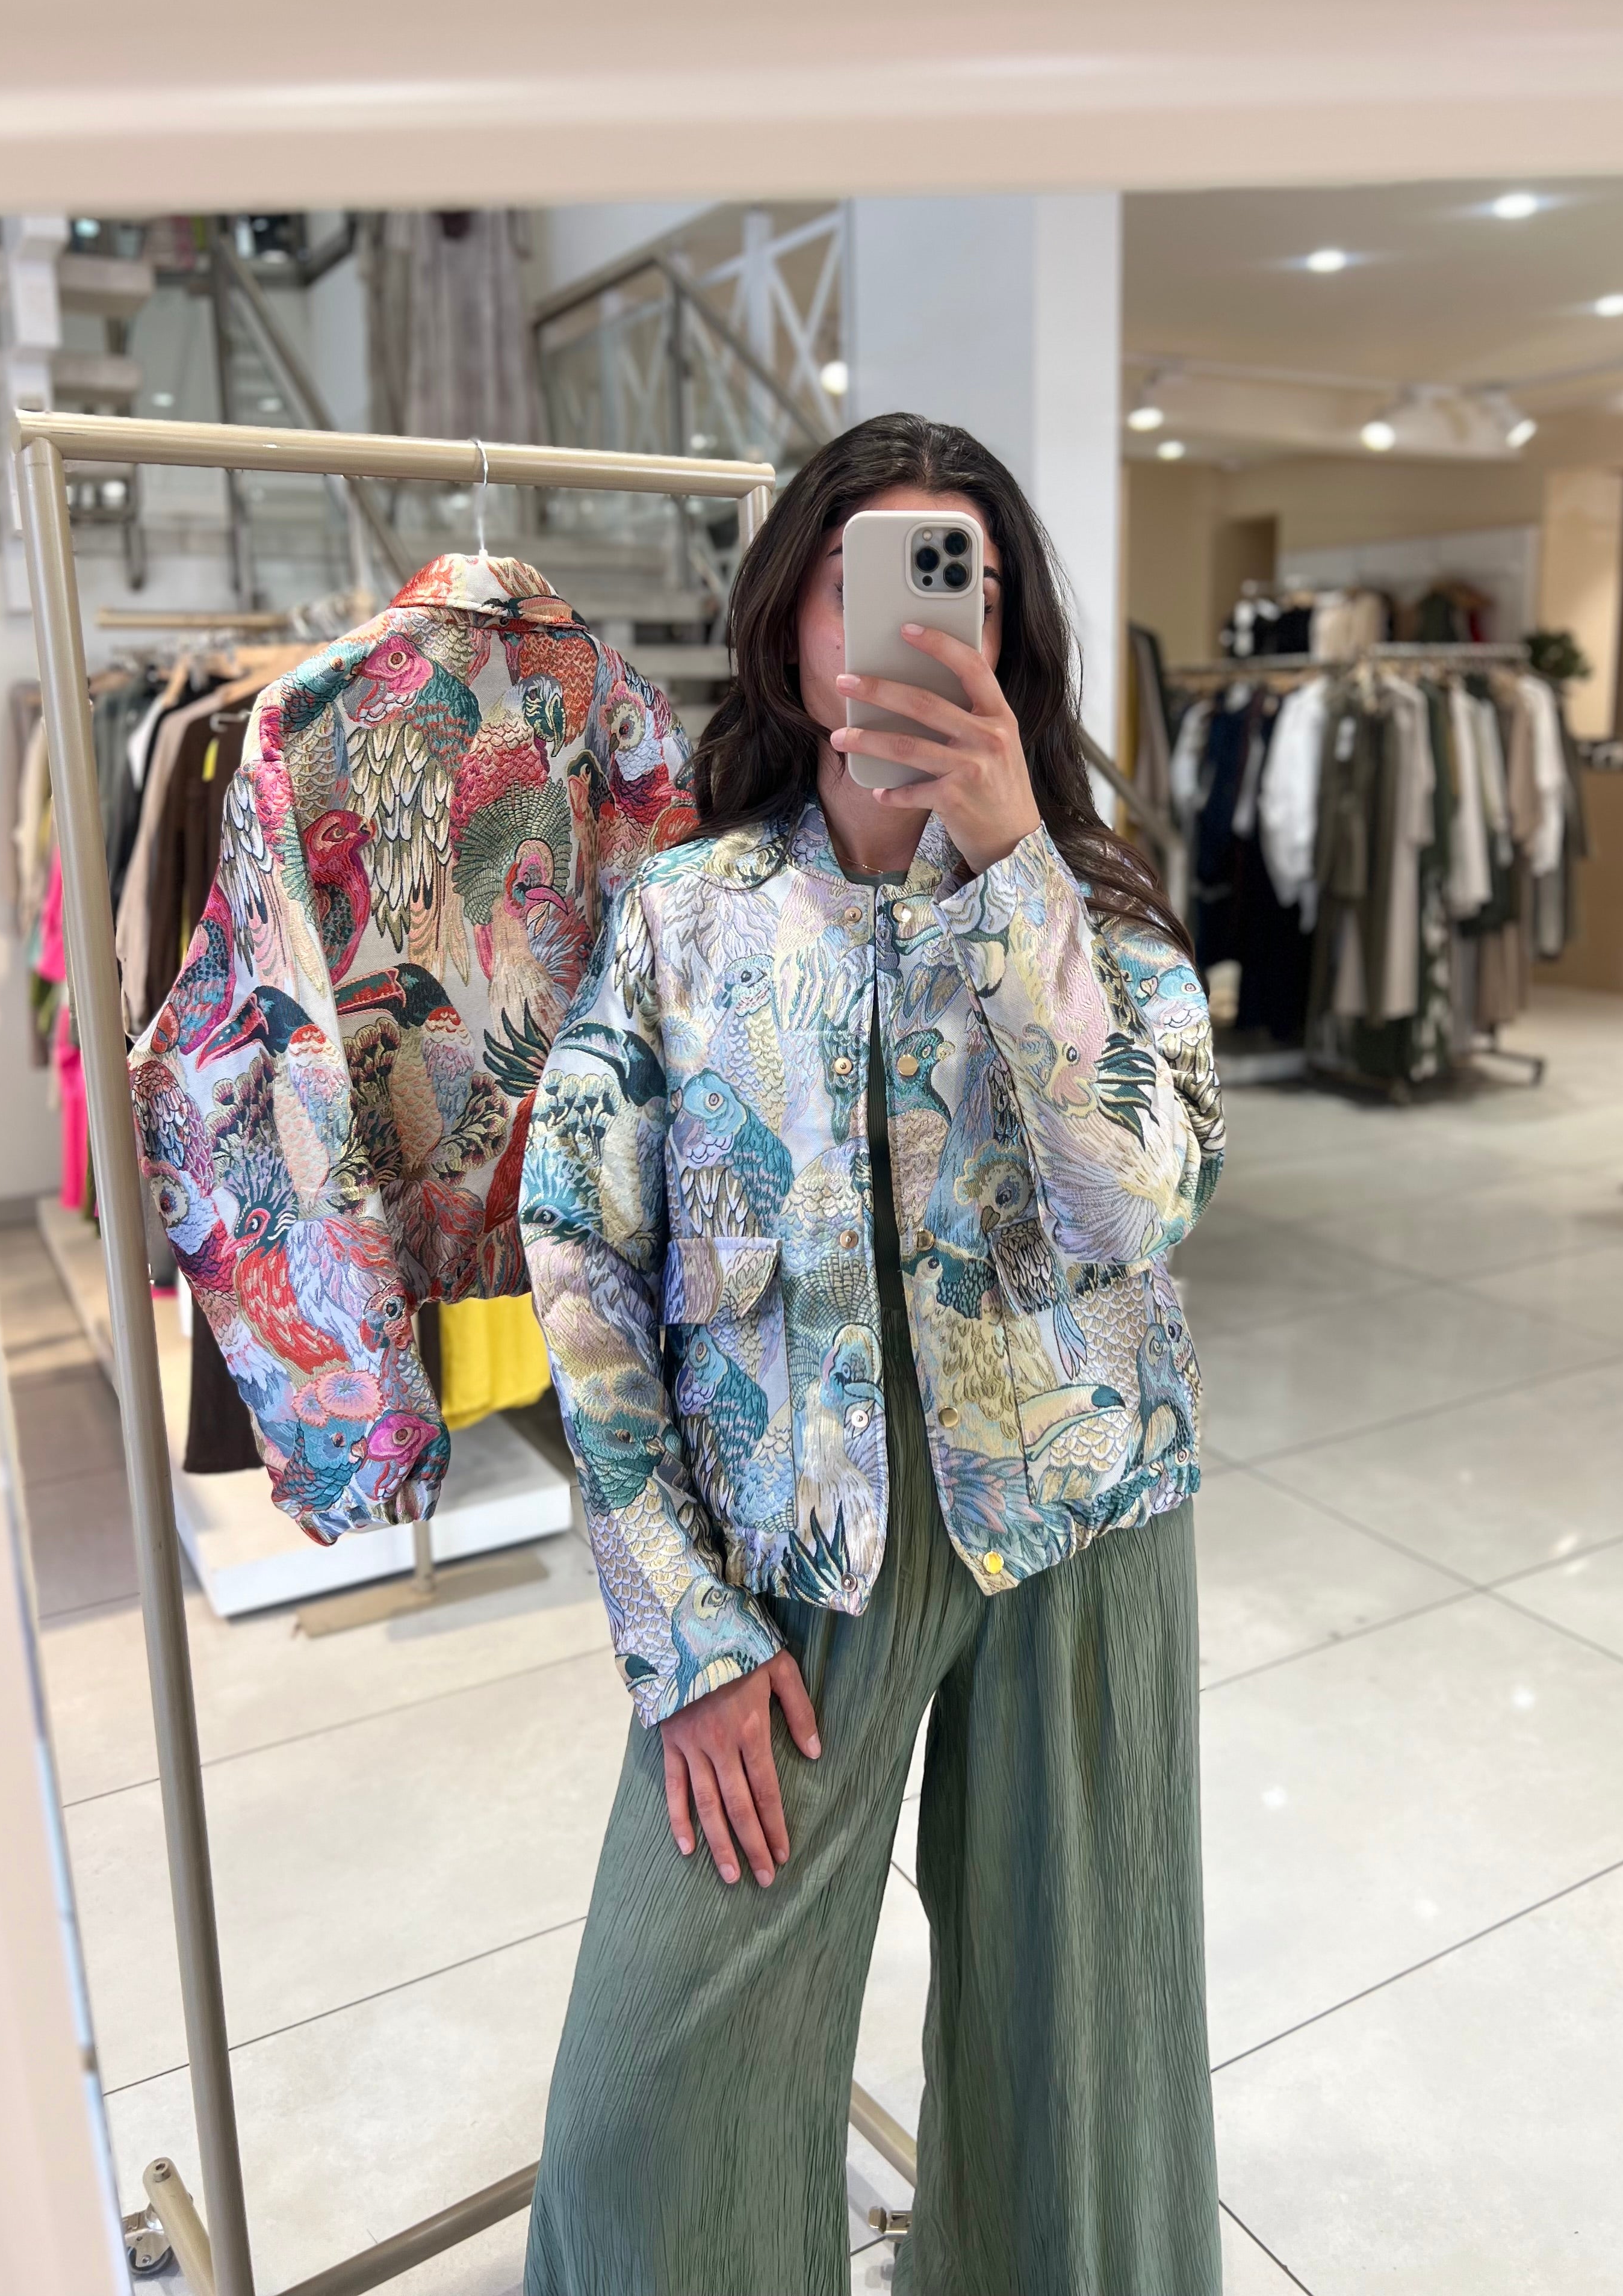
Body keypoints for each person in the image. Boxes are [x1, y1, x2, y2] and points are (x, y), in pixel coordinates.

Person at [520, 412, 1226, 2296]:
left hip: (1082, 1519)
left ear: (1005, 635)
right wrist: (677, 1620)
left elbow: (1138, 1208)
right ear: (790, 620)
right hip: (784, 1546)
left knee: (1081, 2062)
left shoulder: (1101, 908)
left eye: (955, 586)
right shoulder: (682, 921)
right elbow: (577, 1259)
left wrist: (1014, 873)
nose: (912, 623)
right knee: (654, 2103)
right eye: (870, 579)